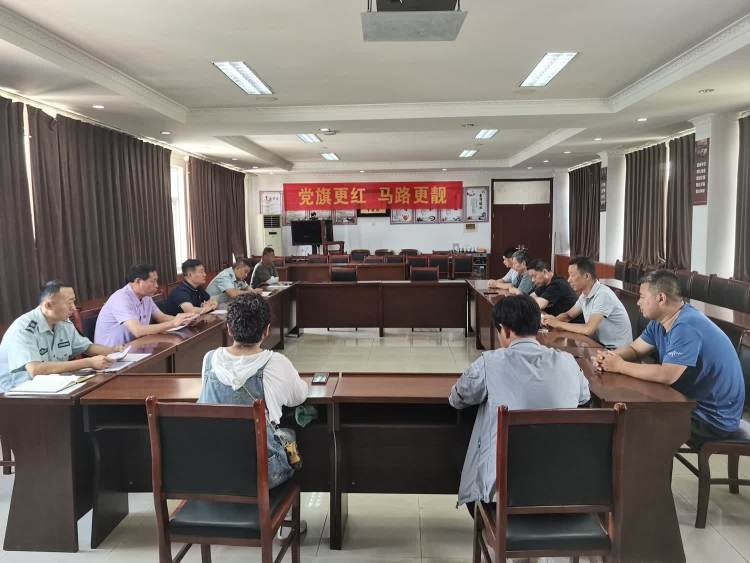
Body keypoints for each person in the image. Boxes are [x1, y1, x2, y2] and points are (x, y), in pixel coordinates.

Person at [449, 295, 590, 514]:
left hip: (504, 495)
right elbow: (583, 397)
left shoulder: (489, 363)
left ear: (505, 330)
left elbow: (457, 399)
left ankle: (495, 527)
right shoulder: (567, 362)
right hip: (563, 488)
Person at [596, 270, 745, 447]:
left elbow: (667, 374)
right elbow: (635, 349)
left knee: (635, 420)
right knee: (630, 412)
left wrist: (619, 366)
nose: (638, 302)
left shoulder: (686, 325)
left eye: (642, 297)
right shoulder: (660, 321)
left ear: (661, 298)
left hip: (712, 418)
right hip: (688, 402)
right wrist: (610, 357)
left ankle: (643, 465)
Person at [197, 293, 308, 488]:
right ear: (267, 330)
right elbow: (298, 397)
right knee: (292, 436)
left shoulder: (209, 359)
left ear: (229, 329)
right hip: (261, 474)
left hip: (212, 470)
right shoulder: (276, 362)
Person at [0, 281, 122, 392]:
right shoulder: (24, 329)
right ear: (48, 305)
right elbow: (36, 369)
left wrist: (114, 351)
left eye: (74, 301)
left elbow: (87, 347)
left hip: (54, 387)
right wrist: (88, 362)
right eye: (69, 302)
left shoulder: (63, 323)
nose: (74, 307)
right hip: (15, 394)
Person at [95, 263, 198, 347]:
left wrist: (184, 321)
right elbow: (137, 330)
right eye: (153, 281)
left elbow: (162, 317)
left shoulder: (146, 297)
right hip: (111, 354)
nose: (156, 285)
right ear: (138, 281)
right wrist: (173, 323)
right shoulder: (121, 298)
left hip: (134, 347)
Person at [543, 255, 632, 348]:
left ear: (586, 276)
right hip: (598, 345)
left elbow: (588, 329)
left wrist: (558, 324)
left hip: (616, 350)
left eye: (572, 275)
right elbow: (568, 315)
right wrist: (551, 321)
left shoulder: (603, 295)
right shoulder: (585, 294)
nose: (568, 280)